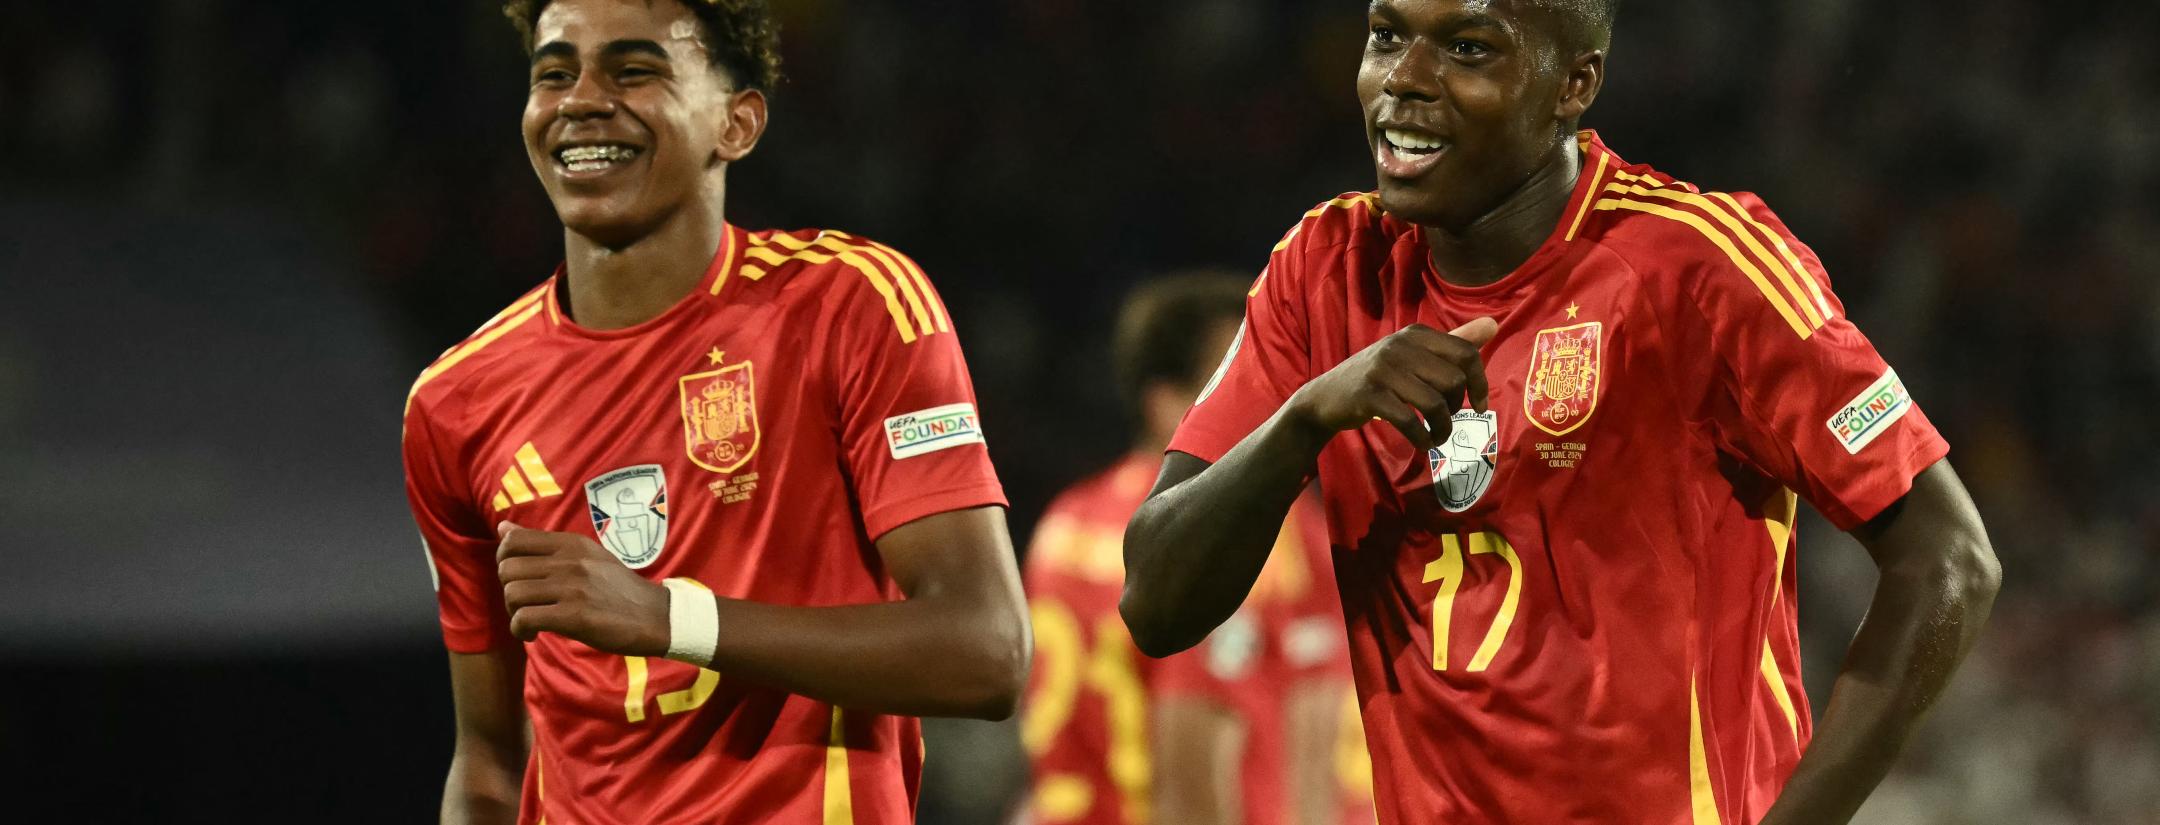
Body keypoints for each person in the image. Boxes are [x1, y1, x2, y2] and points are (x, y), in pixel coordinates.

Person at [1118, 1, 2002, 823]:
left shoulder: (1697, 266)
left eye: (1468, 49)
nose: (1407, 78)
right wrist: (1306, 419)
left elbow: (1949, 559)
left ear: (1573, 85)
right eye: (1387, 37)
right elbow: (1156, 601)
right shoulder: (1324, 270)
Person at [400, 1, 1028, 822]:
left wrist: (669, 618)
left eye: (634, 69)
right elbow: (488, 759)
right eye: (553, 73)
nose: (581, 98)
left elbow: (986, 652)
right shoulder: (455, 401)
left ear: (736, 124)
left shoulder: (850, 305)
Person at [1022, 274, 1371, 825]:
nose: (1269, 402)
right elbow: (1204, 754)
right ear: (1169, 405)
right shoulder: (1236, 535)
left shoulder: (1062, 525)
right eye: (1238, 383)